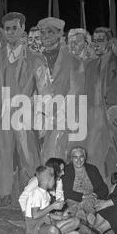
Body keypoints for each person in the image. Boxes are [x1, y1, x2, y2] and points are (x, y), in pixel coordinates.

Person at [0, 12, 42, 207]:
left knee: (29, 154)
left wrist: (38, 112)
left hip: (25, 115)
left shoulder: (35, 59)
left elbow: (43, 91)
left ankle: (35, 192)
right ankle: (5, 193)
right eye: (7, 29)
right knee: (3, 153)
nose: (10, 32)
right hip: (2, 116)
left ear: (22, 28)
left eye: (14, 28)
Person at [83, 27, 117, 190]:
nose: (96, 44)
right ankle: (99, 191)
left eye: (100, 40)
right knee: (92, 155)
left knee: (116, 156)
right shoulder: (90, 66)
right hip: (94, 117)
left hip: (114, 119)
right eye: (94, 40)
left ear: (109, 42)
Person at [36, 17, 85, 163]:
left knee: (54, 160)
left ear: (59, 34)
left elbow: (76, 92)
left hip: (61, 120)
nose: (45, 36)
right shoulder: (35, 60)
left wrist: (54, 116)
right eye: (42, 32)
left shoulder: (73, 61)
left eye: (50, 32)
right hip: (35, 120)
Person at [24, 165, 80, 234]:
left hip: (46, 223)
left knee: (76, 221)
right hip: (35, 229)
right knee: (52, 230)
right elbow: (35, 215)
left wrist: (61, 218)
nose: (55, 182)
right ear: (48, 180)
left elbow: (46, 214)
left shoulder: (46, 194)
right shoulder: (37, 193)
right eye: (54, 179)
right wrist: (52, 206)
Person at [62, 146, 108, 222]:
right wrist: (83, 196)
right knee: (75, 208)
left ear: (85, 157)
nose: (79, 160)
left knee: (89, 206)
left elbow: (103, 188)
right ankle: (86, 219)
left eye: (81, 157)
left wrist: (95, 194)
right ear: (71, 158)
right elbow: (65, 192)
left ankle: (88, 221)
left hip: (91, 200)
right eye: (75, 157)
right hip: (73, 200)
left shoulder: (92, 169)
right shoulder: (66, 170)